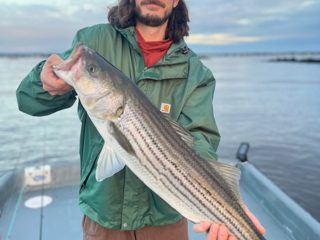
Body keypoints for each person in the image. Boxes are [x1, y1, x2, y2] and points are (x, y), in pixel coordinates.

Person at [16, 0, 265, 239]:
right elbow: (28, 102)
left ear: (177, 1)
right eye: (92, 70)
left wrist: (228, 205)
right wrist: (43, 80)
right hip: (104, 216)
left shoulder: (197, 73)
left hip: (165, 220)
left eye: (91, 70)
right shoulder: (94, 42)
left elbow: (200, 140)